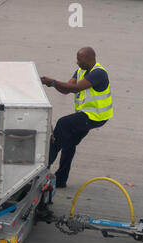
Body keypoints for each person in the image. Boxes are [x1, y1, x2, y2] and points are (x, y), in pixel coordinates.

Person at [41, 47, 112, 188]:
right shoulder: (80, 71)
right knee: (69, 143)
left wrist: (53, 82)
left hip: (95, 116)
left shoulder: (98, 73)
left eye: (79, 59)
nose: (77, 62)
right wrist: (51, 84)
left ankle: (43, 167)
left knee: (63, 124)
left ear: (89, 58)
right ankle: (61, 180)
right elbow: (67, 89)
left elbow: (76, 88)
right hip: (85, 115)